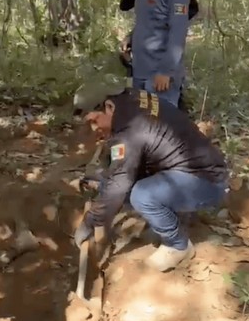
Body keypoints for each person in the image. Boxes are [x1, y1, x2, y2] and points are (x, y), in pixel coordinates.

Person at [71, 75, 229, 272]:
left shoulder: (130, 132)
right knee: (112, 182)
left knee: (141, 195)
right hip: (191, 166)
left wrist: (91, 221)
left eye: (96, 120)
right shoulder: (132, 100)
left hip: (206, 181)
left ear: (109, 107)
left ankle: (178, 245)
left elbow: (119, 182)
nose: (96, 128)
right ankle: (173, 212)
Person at [116, 0, 192, 108]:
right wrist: (131, 39)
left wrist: (165, 71)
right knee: (143, 124)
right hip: (139, 73)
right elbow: (148, 20)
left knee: (160, 128)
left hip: (159, 78)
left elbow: (178, 32)